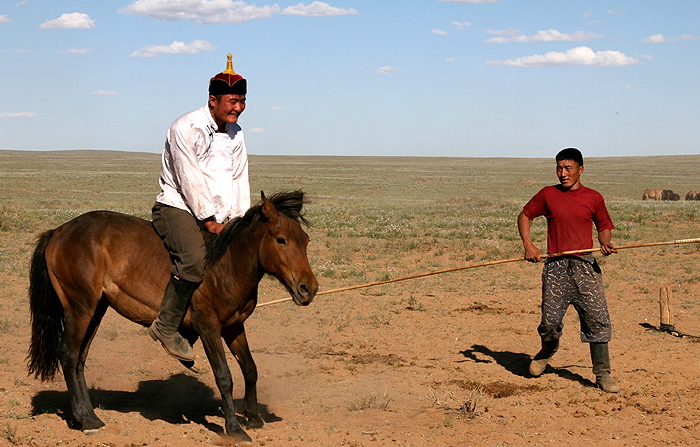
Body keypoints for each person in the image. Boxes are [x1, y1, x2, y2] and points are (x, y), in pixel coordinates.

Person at [149, 54, 251, 362]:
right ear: (213, 99)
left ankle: (195, 324)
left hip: (220, 215)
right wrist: (208, 221)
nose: (238, 107)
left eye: (242, 101)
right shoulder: (186, 127)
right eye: (232, 101)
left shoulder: (236, 132)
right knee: (193, 262)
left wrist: (240, 221)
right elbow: (189, 178)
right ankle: (166, 326)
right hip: (178, 206)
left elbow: (238, 177)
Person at [517, 148, 620, 393]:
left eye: (568, 168)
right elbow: (525, 215)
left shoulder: (593, 197)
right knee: (549, 322)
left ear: (580, 170)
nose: (563, 173)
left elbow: (604, 224)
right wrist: (529, 245)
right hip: (555, 267)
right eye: (559, 168)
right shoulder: (547, 194)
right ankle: (547, 350)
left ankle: (602, 374)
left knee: (597, 320)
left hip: (585, 266)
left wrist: (604, 241)